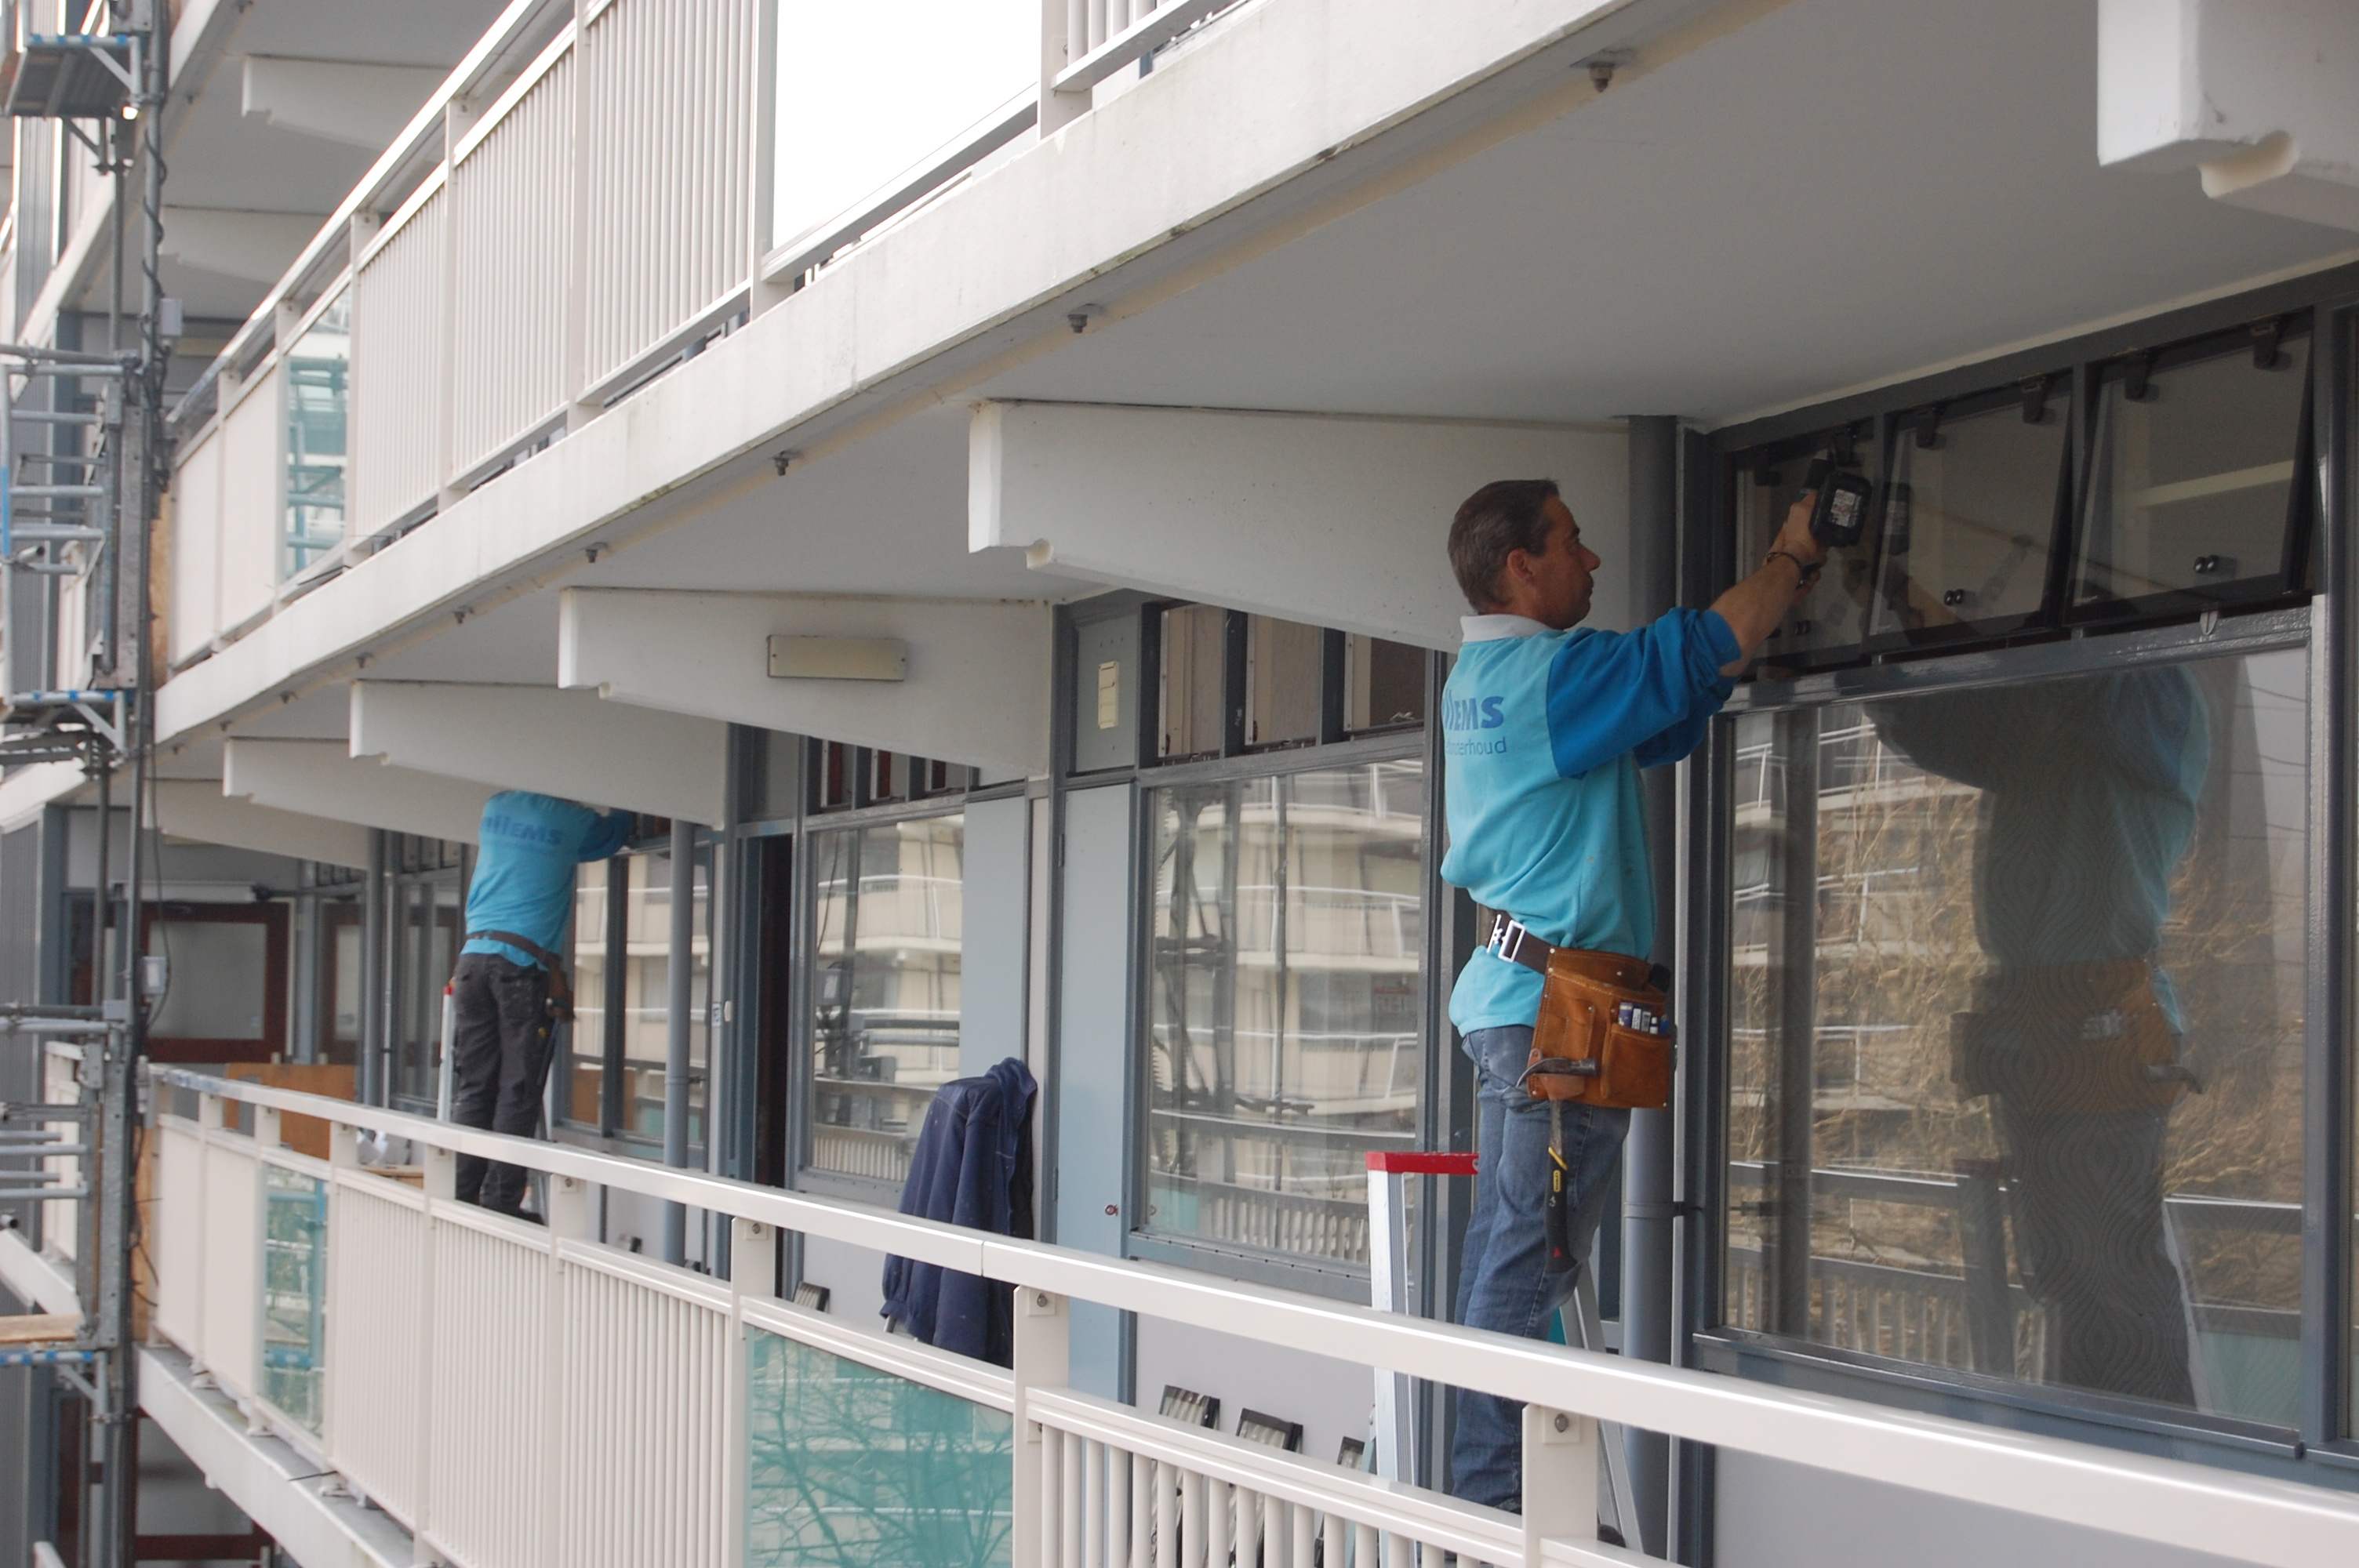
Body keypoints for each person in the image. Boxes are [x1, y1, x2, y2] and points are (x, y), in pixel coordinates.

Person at [1440, 477, 1826, 1511]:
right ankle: (1490, 1513)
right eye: (1572, 541)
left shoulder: (1480, 679)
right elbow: (1704, 645)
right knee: (1530, 1267)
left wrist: (1728, 646)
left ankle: (1475, 1497)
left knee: (1503, 1257)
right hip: (1561, 1019)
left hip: (1519, 1000)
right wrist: (1791, 558)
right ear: (1521, 566)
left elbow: (1665, 709)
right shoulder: (1554, 676)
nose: (1592, 560)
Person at [1871, 668, 2208, 1405]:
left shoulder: (2152, 692)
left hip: (2095, 1029)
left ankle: (2142, 1451)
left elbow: (2080, 680)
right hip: (2050, 1031)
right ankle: (2096, 1441)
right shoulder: (2061, 719)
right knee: (2066, 1272)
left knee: (2110, 1275)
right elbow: (1936, 729)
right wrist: (1897, 653)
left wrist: (1960, 635)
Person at [451, 789, 634, 1217]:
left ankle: (460, 1195)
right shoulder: (572, 820)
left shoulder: (496, 805)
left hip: (471, 961)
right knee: (518, 1088)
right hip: (519, 965)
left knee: (476, 1085)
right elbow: (613, 835)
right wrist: (625, 798)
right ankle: (500, 1203)